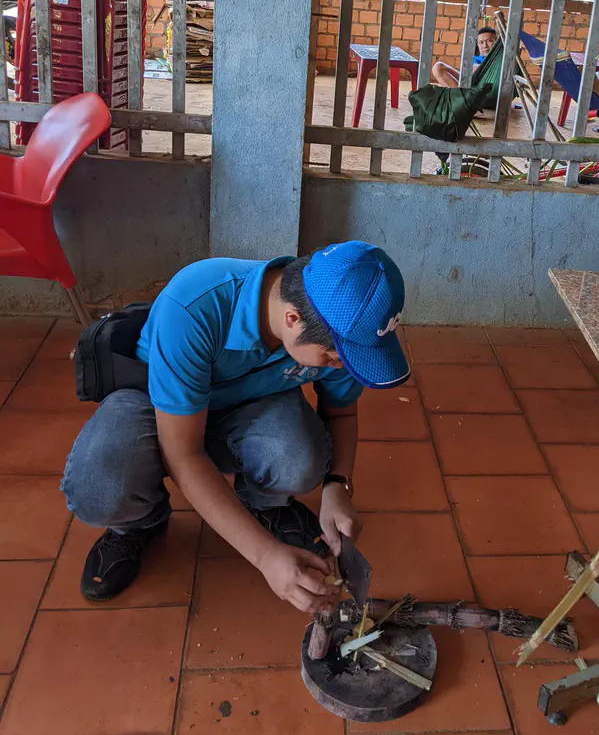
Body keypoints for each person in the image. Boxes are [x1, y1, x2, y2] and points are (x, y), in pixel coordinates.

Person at [60, 242, 409, 613]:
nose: (339, 366)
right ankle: (138, 524)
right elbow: (182, 453)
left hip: (252, 402)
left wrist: (337, 486)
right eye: (333, 358)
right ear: (292, 319)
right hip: (157, 404)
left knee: (299, 457)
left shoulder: (332, 326)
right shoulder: (195, 306)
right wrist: (265, 556)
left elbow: (341, 413)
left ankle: (264, 504)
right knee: (97, 488)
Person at [431, 26, 497, 88]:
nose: (485, 45)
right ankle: (461, 95)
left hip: (486, 86)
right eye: (481, 42)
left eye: (489, 41)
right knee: (438, 67)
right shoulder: (476, 58)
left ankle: (460, 95)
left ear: (496, 42)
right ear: (478, 45)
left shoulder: (499, 58)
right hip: (471, 85)